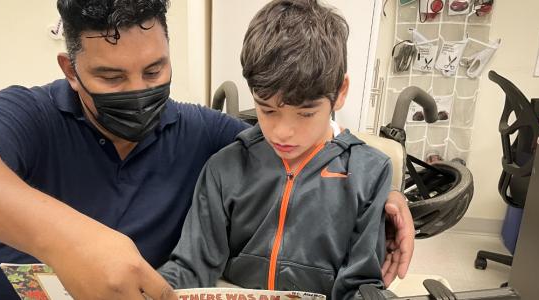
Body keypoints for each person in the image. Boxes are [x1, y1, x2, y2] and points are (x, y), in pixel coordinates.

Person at [0, 1, 414, 299]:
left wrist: (386, 187)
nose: (137, 88)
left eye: (154, 71)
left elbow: (301, 141)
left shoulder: (203, 134)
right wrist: (70, 243)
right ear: (71, 69)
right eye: (111, 76)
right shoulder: (31, 114)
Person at [159, 1, 394, 298]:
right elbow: (192, 267)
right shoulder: (224, 168)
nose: (282, 132)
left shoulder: (370, 173)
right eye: (267, 110)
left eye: (305, 113)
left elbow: (360, 283)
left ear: (340, 93)